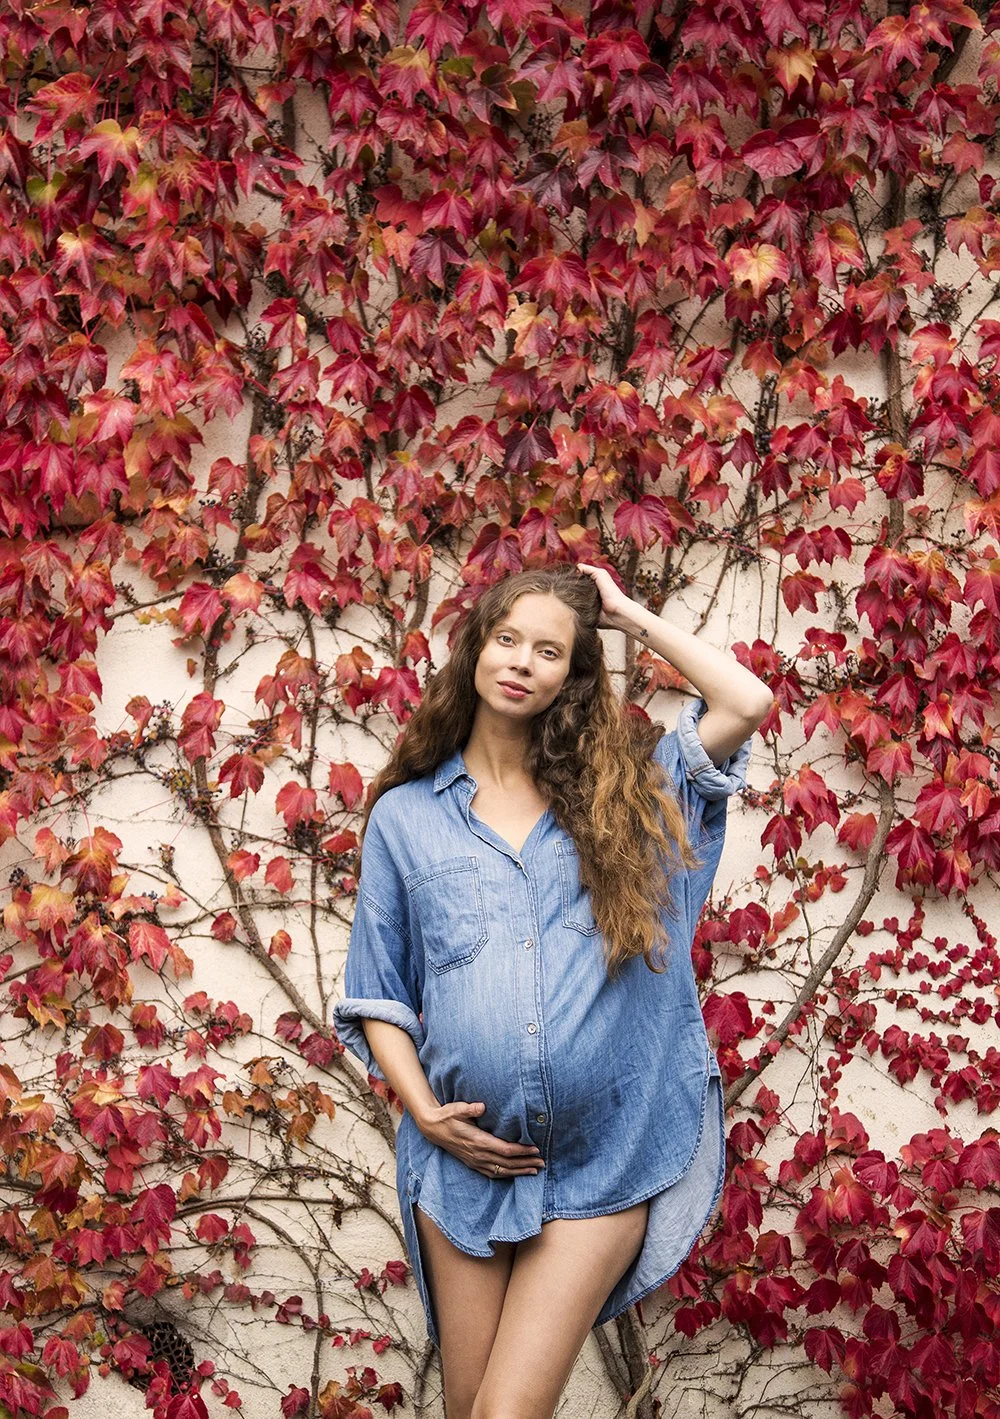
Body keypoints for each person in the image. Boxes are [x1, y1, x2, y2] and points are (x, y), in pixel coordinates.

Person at [333, 562, 772, 1419]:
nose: (522, 661)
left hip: (600, 1166)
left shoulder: (626, 799)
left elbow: (746, 703)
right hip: (463, 1168)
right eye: (507, 639)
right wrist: (423, 1110)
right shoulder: (406, 818)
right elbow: (376, 991)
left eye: (549, 650)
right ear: (474, 652)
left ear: (574, 676)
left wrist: (623, 614)